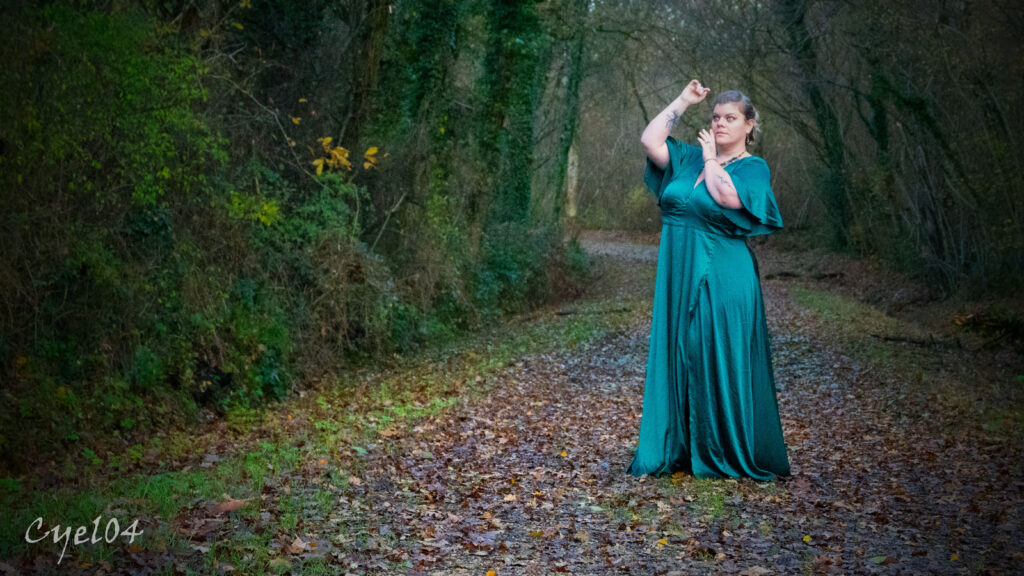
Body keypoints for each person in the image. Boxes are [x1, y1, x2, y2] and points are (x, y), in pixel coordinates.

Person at [625, 80, 791, 481]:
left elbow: (729, 198)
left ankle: (720, 449)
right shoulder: (688, 159)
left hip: (724, 276)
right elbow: (650, 140)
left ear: (749, 125)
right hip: (679, 274)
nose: (720, 124)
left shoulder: (753, 168)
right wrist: (684, 101)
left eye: (731, 118)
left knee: (712, 353)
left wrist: (712, 159)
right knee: (681, 352)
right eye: (716, 117)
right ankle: (681, 446)